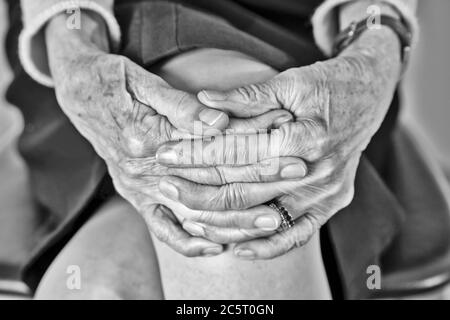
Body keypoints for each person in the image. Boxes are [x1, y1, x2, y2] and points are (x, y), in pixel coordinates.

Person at [4, 0, 429, 299]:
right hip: (95, 28)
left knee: (96, 289)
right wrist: (72, 48)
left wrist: (373, 51)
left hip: (311, 35)